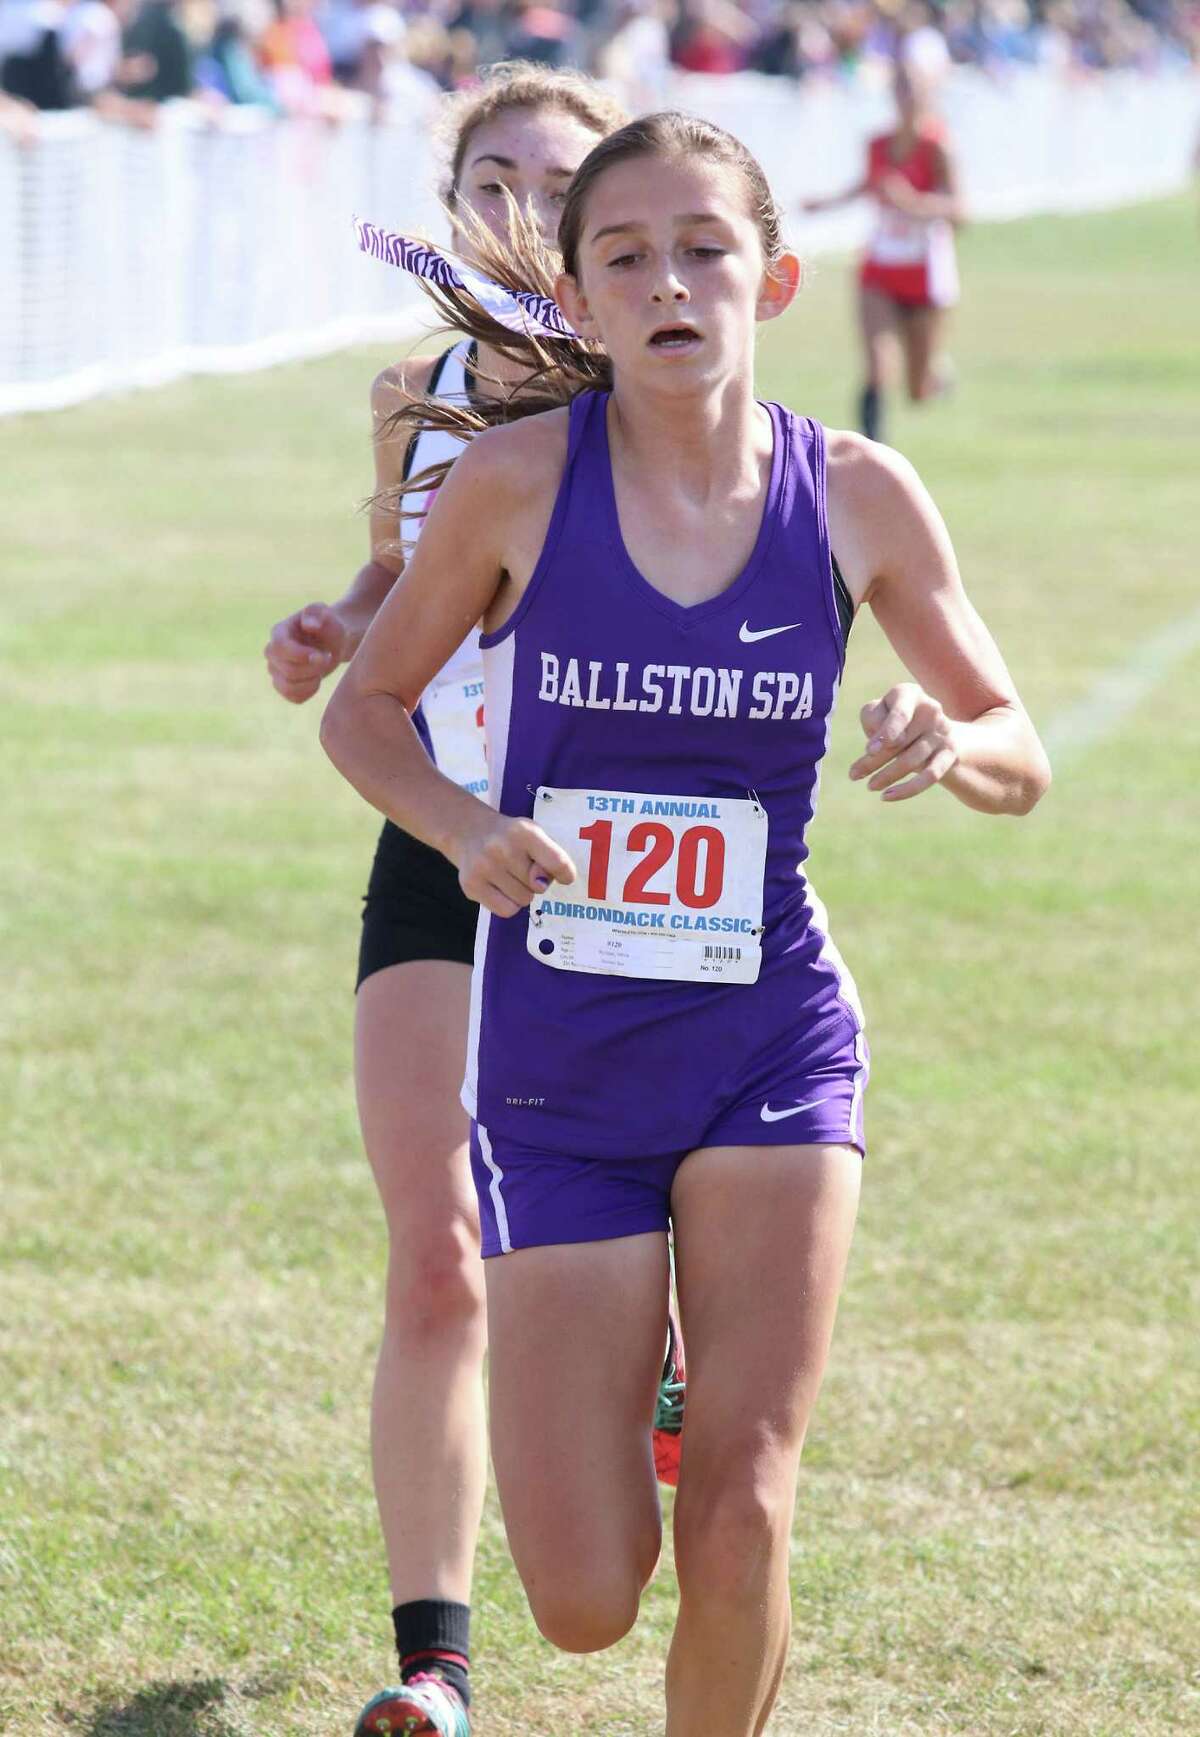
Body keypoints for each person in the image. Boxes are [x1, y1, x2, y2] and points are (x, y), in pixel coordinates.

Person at [319, 108, 1050, 1732]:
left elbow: (1020, 743)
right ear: (578, 300)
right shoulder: (514, 485)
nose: (670, 284)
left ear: (773, 279)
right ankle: (639, 1374)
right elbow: (365, 712)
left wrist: (952, 740)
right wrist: (463, 827)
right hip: (557, 1065)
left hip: (768, 1041)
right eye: (627, 256)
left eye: (705, 250)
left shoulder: (857, 492)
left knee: (744, 1505)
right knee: (582, 1598)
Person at [262, 65, 631, 1737]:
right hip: (434, 832)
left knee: (611, 1242)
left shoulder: (644, 377)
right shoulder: (413, 387)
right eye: (493, 181)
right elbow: (404, 568)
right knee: (438, 1256)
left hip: (620, 857)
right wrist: (341, 622)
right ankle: (436, 1664)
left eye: (558, 186)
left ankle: (672, 1358)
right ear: (450, 197)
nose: (520, 213)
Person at [802, 55, 964, 444]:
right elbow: (868, 184)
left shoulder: (938, 147)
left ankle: (934, 374)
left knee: (917, 391)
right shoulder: (877, 144)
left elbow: (960, 212)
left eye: (913, 90)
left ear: (927, 94)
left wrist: (913, 203)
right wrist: (827, 203)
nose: (906, 98)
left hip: (925, 274)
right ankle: (871, 451)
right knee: (877, 366)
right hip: (880, 269)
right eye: (900, 89)